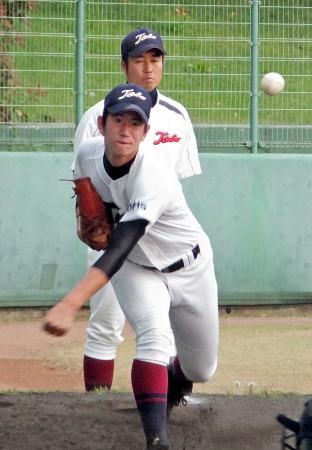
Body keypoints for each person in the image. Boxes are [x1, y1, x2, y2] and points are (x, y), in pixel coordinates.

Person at [43, 83, 219, 450]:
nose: (125, 129)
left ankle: (175, 377)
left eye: (135, 123)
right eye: (118, 119)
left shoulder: (153, 173)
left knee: (202, 369)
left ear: (145, 132)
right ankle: (156, 441)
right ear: (102, 123)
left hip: (189, 267)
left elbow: (119, 245)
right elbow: (92, 223)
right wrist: (86, 230)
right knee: (153, 336)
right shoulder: (87, 154)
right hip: (137, 270)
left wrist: (69, 304)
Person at [72, 28, 202, 393]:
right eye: (139, 60)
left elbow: (176, 185)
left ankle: (168, 405)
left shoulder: (177, 116)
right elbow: (84, 183)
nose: (148, 68)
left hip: (162, 243)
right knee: (105, 323)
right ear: (124, 65)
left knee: (167, 329)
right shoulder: (98, 115)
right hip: (114, 240)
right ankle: (97, 410)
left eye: (155, 59)